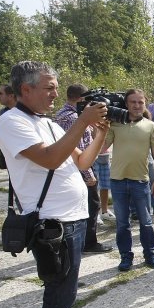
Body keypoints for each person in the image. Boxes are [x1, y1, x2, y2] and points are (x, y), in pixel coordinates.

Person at [0, 60, 109, 308]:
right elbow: (48, 159)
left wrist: (100, 130)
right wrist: (82, 122)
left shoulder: (47, 123)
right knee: (58, 298)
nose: (55, 93)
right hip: (52, 226)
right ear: (25, 89)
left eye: (56, 87)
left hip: (72, 220)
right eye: (48, 87)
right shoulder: (12, 122)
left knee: (65, 293)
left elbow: (82, 160)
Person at [103, 89, 154, 271]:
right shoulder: (115, 125)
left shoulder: (150, 126)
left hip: (141, 181)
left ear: (145, 104)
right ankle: (125, 256)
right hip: (118, 181)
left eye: (140, 102)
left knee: (146, 221)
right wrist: (100, 128)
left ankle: (150, 253)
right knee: (123, 223)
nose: (137, 106)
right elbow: (102, 147)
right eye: (133, 102)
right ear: (126, 104)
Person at [53, 84, 112, 254]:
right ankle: (88, 243)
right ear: (81, 100)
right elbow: (77, 149)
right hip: (80, 168)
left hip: (71, 168)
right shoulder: (73, 118)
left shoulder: (62, 114)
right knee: (92, 206)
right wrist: (89, 174)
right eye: (89, 101)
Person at [0, 84, 16, 170]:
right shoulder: (2, 112)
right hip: (6, 153)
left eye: (0, 93)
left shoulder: (23, 112)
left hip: (18, 153)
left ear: (11, 96)